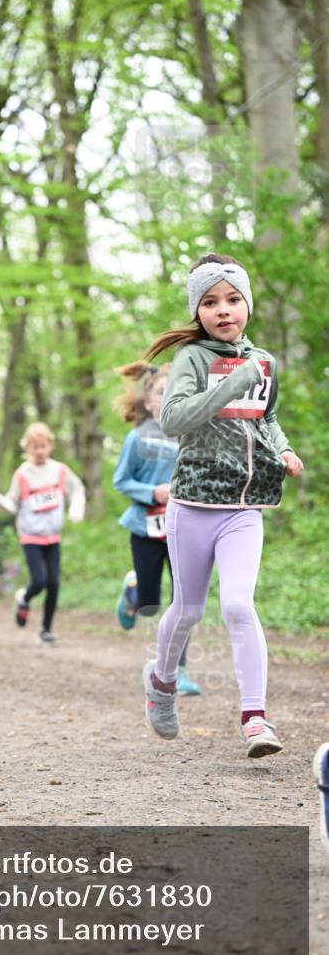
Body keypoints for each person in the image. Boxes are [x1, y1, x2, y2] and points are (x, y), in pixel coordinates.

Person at [137, 253, 304, 757]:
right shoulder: (190, 359)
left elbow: (265, 418)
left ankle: (255, 718)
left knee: (237, 604)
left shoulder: (266, 362)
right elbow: (173, 419)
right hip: (192, 504)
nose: (223, 310)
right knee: (187, 609)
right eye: (210, 302)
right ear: (198, 310)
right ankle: (161, 684)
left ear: (247, 304)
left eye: (232, 299)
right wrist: (232, 378)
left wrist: (285, 448)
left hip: (244, 507)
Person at [113, 363, 201, 696]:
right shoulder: (137, 438)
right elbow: (121, 480)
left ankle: (179, 671)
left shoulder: (192, 436)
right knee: (151, 604)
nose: (169, 398)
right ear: (149, 402)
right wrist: (153, 493)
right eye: (163, 392)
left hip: (183, 528)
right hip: (145, 528)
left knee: (184, 599)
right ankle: (134, 590)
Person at [0, 422, 85, 645]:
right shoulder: (22, 474)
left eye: (43, 446)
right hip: (31, 535)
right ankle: (24, 597)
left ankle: (46, 628)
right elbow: (12, 503)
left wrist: (76, 507)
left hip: (53, 535)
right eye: (35, 447)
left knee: (54, 582)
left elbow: (77, 489)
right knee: (39, 580)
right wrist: (0, 502)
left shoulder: (60, 470)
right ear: (28, 448)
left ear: (50, 446)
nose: (40, 451)